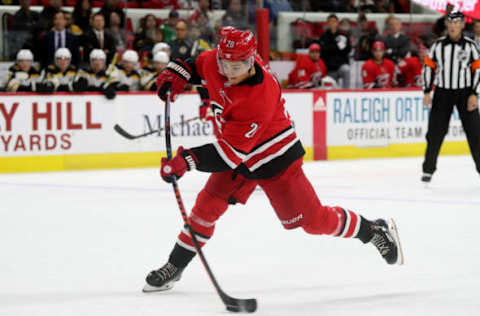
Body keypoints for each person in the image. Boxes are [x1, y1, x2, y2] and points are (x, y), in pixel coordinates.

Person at [142, 28, 404, 292]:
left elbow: (227, 155)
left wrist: (186, 160)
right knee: (205, 208)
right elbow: (196, 65)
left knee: (314, 223)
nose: (230, 71)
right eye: (226, 63)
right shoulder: (217, 62)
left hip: (275, 159)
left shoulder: (258, 95)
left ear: (251, 59)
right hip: (239, 157)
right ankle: (175, 266)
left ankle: (372, 230)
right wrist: (176, 73)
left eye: (239, 65)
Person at [422, 11, 480, 183]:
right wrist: (426, 91)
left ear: (462, 25)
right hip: (442, 93)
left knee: (476, 132)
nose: (453, 26)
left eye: (457, 23)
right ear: (447, 25)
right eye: (450, 22)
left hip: (465, 93)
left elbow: (477, 70)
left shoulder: (470, 46)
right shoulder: (437, 46)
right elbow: (428, 68)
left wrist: (474, 94)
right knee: (435, 132)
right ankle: (428, 170)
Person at [319, 14, 351, 88]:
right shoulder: (323, 36)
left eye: (334, 21)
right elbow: (323, 51)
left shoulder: (343, 35)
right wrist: (337, 47)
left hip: (341, 64)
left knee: (346, 69)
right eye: (330, 21)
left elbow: (347, 49)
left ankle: (346, 92)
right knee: (332, 87)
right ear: (327, 23)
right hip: (330, 67)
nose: (332, 23)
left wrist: (332, 47)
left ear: (337, 23)